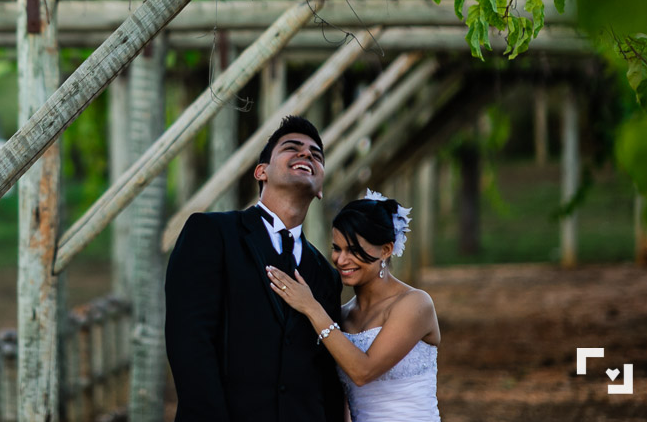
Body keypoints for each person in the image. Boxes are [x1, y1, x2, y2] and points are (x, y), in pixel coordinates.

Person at [165, 115, 345, 422]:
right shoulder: (210, 233)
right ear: (261, 172)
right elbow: (190, 342)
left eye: (316, 155)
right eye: (292, 147)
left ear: (320, 188)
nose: (306, 154)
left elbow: (326, 372)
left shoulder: (326, 274)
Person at [267, 190, 441, 422]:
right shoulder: (343, 314)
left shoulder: (415, 304)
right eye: (337, 248)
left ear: (386, 250)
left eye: (354, 250)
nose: (340, 260)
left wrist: (311, 308)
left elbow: (362, 372)